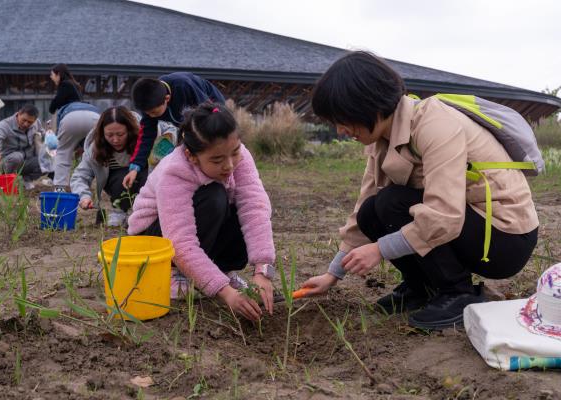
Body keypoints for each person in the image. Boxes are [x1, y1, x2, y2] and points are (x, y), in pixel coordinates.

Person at [301, 51, 539, 330]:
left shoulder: (435, 124)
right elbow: (362, 211)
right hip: (468, 224)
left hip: (505, 238)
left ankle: (458, 293)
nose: (341, 130)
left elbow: (445, 216)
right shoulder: (382, 140)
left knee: (392, 203)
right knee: (371, 211)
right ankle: (421, 288)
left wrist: (379, 249)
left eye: (343, 119)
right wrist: (333, 274)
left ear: (368, 104)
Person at [127, 103, 275, 322]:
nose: (230, 165)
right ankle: (176, 272)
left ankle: (222, 270)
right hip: (154, 238)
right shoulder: (174, 171)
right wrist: (225, 292)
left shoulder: (239, 157)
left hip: (195, 231)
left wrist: (263, 271)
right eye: (217, 160)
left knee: (245, 207)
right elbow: (180, 242)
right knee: (214, 196)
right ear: (192, 155)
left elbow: (255, 209)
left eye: (235, 153)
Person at [123, 72, 225, 189]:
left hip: (212, 109)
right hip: (182, 119)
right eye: (147, 113)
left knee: (202, 143)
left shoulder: (184, 86)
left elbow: (208, 114)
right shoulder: (150, 102)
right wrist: (135, 168)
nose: (151, 116)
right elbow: (146, 136)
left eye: (154, 113)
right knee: (182, 150)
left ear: (167, 99)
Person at [70, 106, 147, 227]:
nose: (115, 140)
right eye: (109, 135)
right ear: (102, 133)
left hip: (146, 186)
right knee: (122, 176)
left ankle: (145, 211)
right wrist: (84, 196)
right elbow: (79, 176)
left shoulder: (144, 139)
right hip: (117, 188)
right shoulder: (95, 149)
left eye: (120, 134)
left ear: (130, 131)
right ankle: (119, 210)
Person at [0, 104, 48, 190]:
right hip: (9, 161)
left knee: (47, 160)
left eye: (30, 122)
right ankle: (7, 181)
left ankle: (27, 180)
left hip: (28, 160)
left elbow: (44, 134)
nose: (26, 124)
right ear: (18, 114)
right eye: (24, 120)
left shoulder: (37, 123)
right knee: (17, 157)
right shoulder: (6, 124)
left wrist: (51, 139)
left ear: (35, 120)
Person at [52, 102, 100, 191]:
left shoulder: (64, 107)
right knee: (91, 154)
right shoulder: (93, 106)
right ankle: (84, 185)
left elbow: (59, 134)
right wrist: (82, 148)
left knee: (63, 153)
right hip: (96, 119)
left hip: (70, 119)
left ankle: (60, 188)